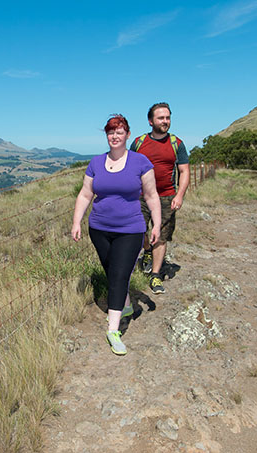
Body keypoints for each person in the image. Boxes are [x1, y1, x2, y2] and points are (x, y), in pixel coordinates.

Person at [72, 114, 161, 356]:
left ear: (128, 135)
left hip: (130, 229)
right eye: (111, 132)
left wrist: (156, 225)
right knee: (113, 273)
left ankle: (113, 330)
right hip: (99, 228)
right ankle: (127, 305)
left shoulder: (140, 162)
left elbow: (152, 196)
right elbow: (84, 194)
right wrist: (76, 221)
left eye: (119, 132)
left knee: (120, 275)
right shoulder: (96, 162)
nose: (114, 136)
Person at [130, 102, 189, 294]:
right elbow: (129, 168)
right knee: (137, 231)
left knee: (162, 237)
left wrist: (179, 195)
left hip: (166, 197)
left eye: (167, 118)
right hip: (140, 195)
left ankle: (155, 275)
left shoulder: (177, 144)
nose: (165, 121)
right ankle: (147, 250)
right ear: (150, 121)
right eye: (161, 118)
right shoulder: (138, 143)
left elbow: (184, 171)